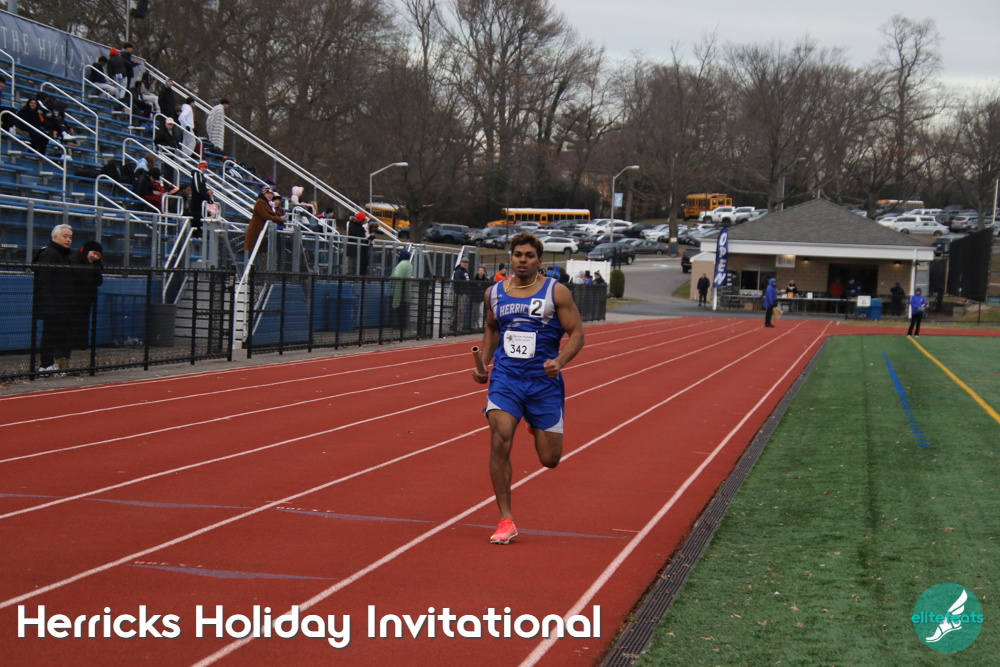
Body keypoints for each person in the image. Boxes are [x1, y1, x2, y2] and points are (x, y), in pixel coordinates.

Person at [472, 233, 585, 544]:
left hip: (543, 383)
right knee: (500, 437)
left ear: (539, 260)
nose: (523, 260)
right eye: (518, 255)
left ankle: (535, 424)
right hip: (506, 378)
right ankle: (505, 519)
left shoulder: (556, 291)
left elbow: (577, 333)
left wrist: (560, 361)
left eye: (529, 256)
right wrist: (483, 364)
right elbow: (492, 329)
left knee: (550, 459)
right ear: (511, 257)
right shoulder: (495, 293)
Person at [32, 224, 75, 374]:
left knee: (60, 334)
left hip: (64, 304)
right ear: (55, 237)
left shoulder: (66, 255)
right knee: (49, 333)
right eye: (65, 236)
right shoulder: (49, 253)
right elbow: (44, 280)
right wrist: (49, 304)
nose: (68, 240)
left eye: (70, 237)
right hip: (53, 303)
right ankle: (46, 364)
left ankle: (56, 363)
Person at [67, 241, 104, 355]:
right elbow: (82, 277)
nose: (95, 257)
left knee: (83, 323)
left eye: (98, 255)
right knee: (72, 322)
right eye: (94, 253)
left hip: (87, 299)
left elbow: (99, 281)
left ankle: (81, 345)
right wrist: (94, 269)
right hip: (73, 299)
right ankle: (70, 345)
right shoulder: (74, 260)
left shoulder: (95, 265)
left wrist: (95, 268)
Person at [244, 185, 283, 256]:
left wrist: (280, 219)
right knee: (253, 254)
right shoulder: (260, 202)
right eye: (268, 193)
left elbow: (272, 216)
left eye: (271, 194)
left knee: (260, 254)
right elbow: (266, 216)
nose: (270, 195)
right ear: (263, 194)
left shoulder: (268, 204)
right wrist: (280, 219)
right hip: (256, 232)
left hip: (262, 233)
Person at [390, 249, 413, 330]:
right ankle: (403, 325)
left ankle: (400, 325)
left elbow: (396, 275)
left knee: (398, 307)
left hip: (399, 289)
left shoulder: (401, 264)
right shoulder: (409, 265)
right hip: (406, 290)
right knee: (404, 309)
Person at [190, 160, 210, 236]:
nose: (204, 169)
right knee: (197, 216)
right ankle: (196, 233)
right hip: (197, 200)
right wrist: (205, 195)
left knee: (199, 217)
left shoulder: (200, 175)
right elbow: (198, 188)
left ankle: (198, 232)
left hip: (200, 200)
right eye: (203, 167)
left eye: (206, 167)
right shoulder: (197, 174)